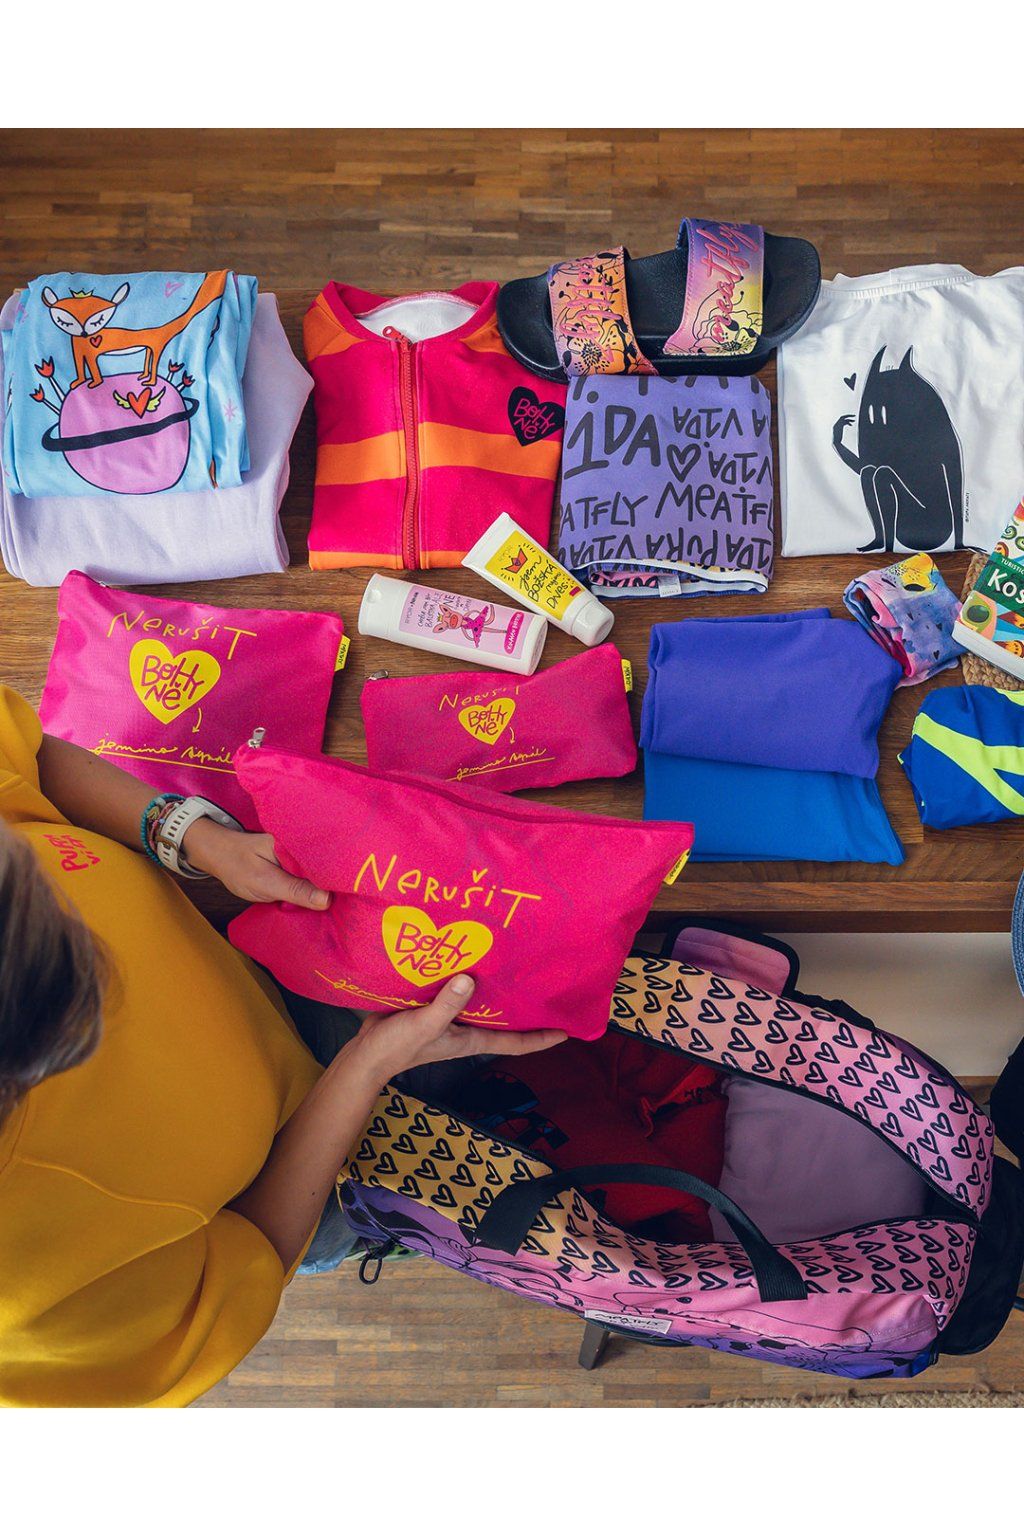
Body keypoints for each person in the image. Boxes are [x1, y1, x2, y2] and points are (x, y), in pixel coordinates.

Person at [0, 687, 563, 1407]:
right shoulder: (32, 1305)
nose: (95, 930)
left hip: (269, 977)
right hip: (298, 1184)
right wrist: (369, 1064)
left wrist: (193, 837)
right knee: (389, 1200)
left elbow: (27, 757)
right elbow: (255, 1249)